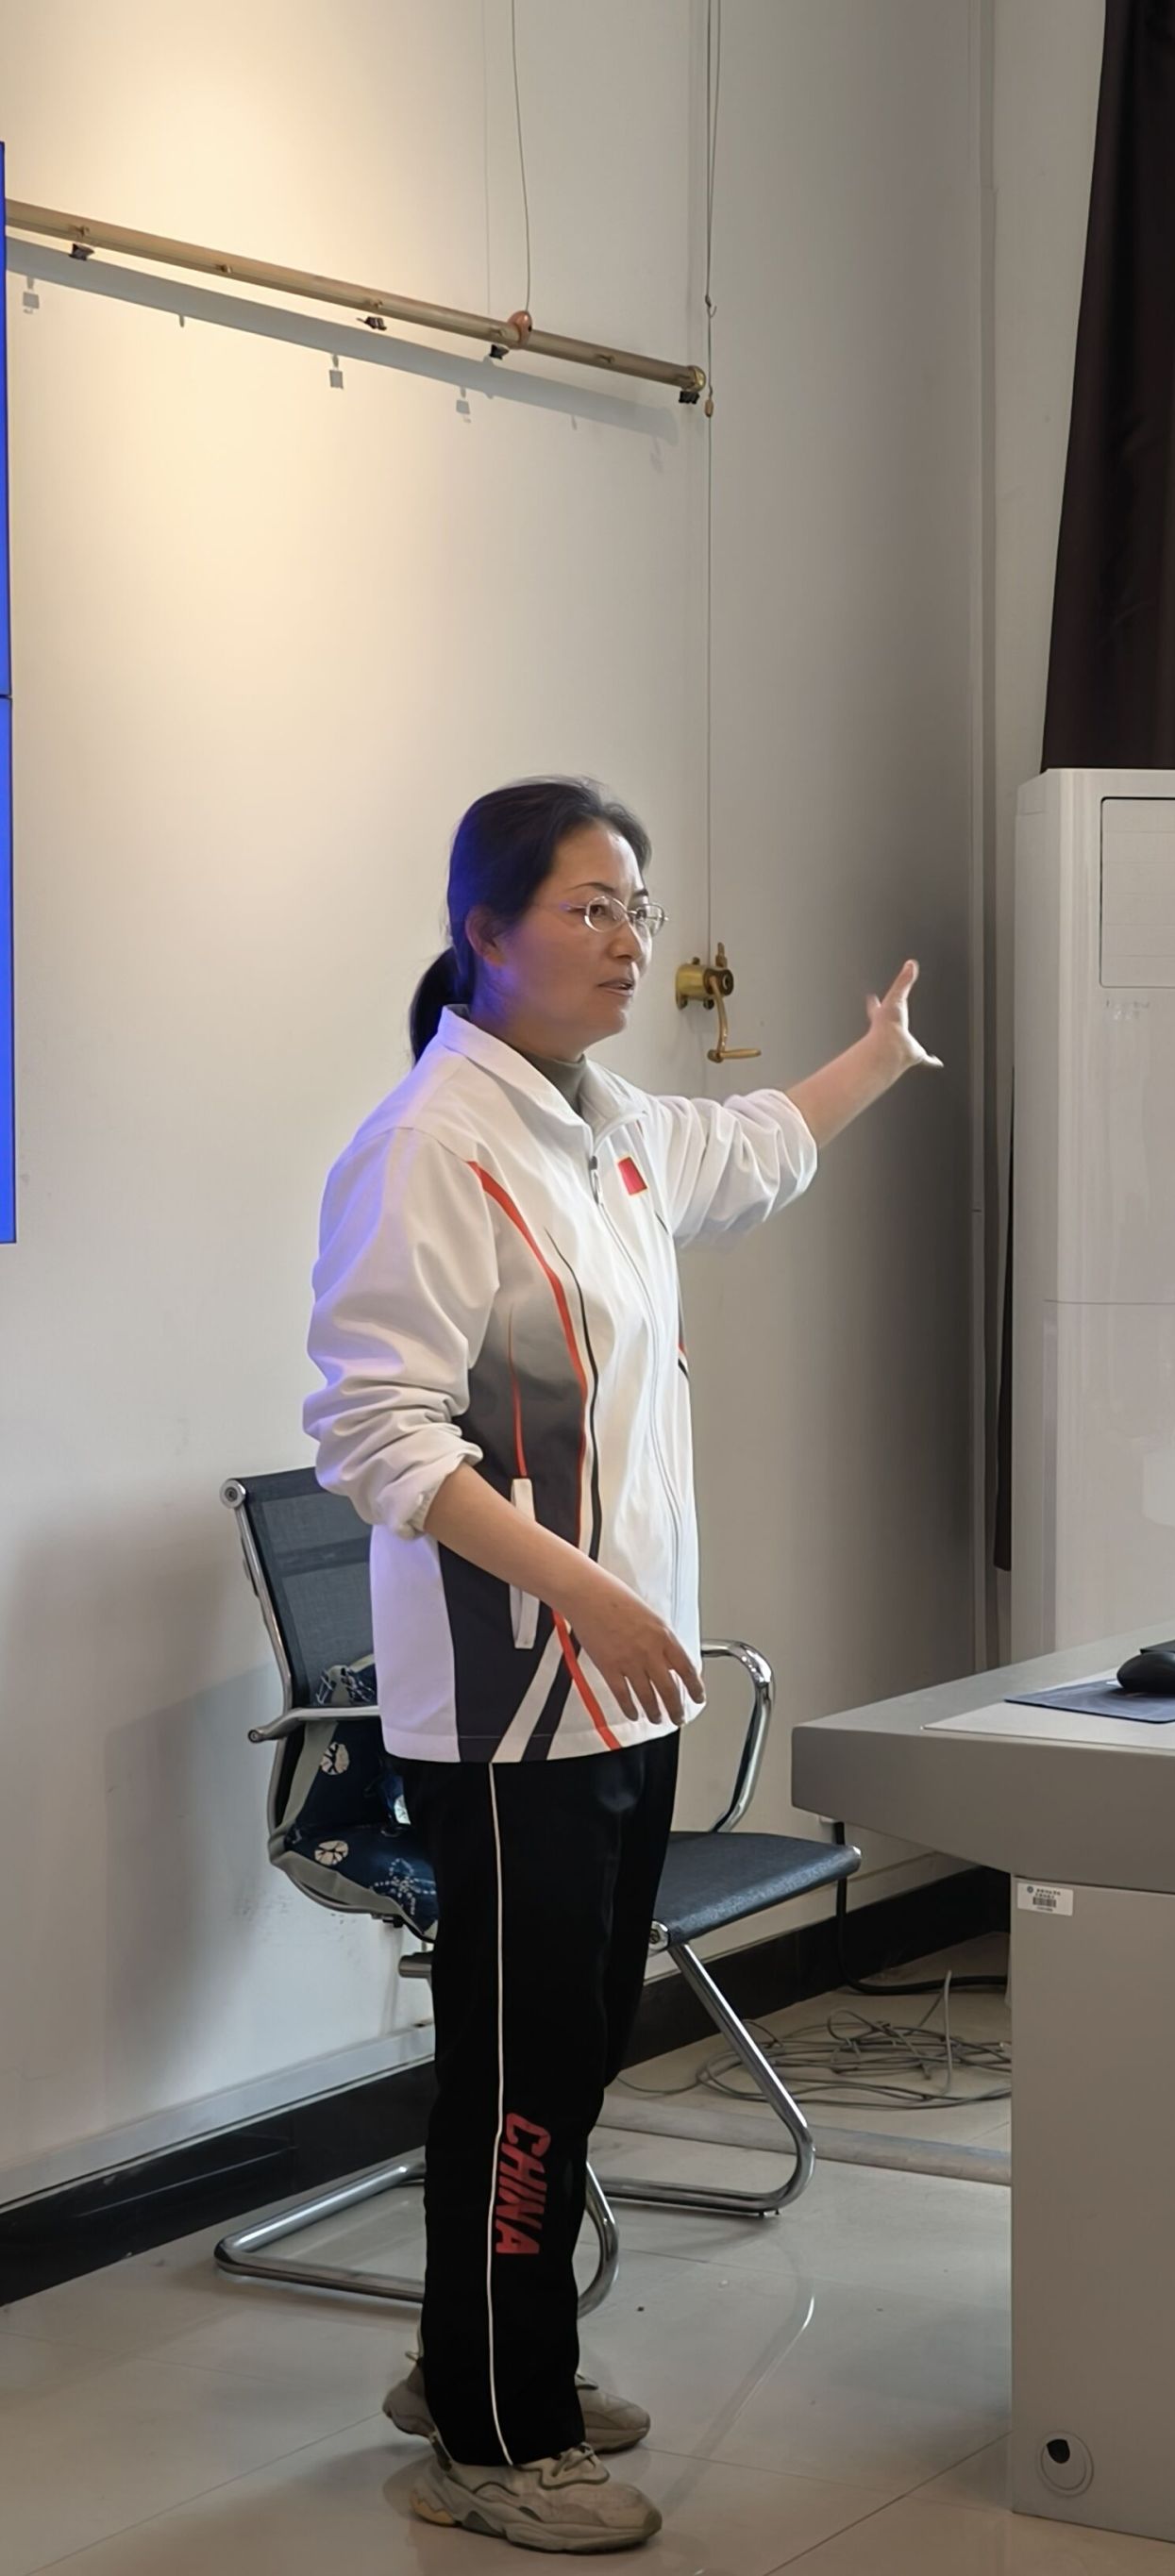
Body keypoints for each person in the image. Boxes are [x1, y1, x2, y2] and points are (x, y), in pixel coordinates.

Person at [304, 777, 939, 2552]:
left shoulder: (605, 1126)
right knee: (520, 2071)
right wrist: (587, 1594)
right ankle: (497, 2437)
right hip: (514, 1695)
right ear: (483, 932)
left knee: (573, 2051)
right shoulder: (430, 1148)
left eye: (639, 907)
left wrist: (879, 1056)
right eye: (590, 906)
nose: (630, 940)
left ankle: (481, 2357)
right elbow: (381, 1438)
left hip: (620, 1678)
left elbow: (750, 1150)